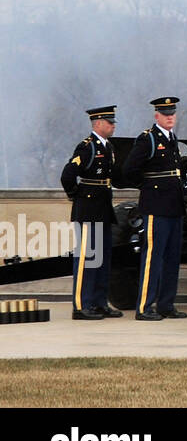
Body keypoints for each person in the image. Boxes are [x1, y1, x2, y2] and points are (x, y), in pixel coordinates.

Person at [124, 96, 187, 321]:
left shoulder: (172, 139)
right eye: (165, 113)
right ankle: (144, 306)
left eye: (172, 113)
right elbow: (130, 169)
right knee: (153, 256)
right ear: (157, 116)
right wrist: (149, 187)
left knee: (171, 258)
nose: (170, 117)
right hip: (156, 205)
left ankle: (166, 304)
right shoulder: (148, 139)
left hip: (174, 206)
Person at [60, 105, 123, 319]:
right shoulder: (87, 147)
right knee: (87, 259)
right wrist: (75, 195)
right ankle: (81, 305)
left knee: (103, 259)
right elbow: (68, 175)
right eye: (109, 122)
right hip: (87, 210)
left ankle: (99, 302)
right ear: (97, 123)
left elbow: (115, 176)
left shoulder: (109, 147)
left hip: (103, 209)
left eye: (113, 122)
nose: (113, 125)